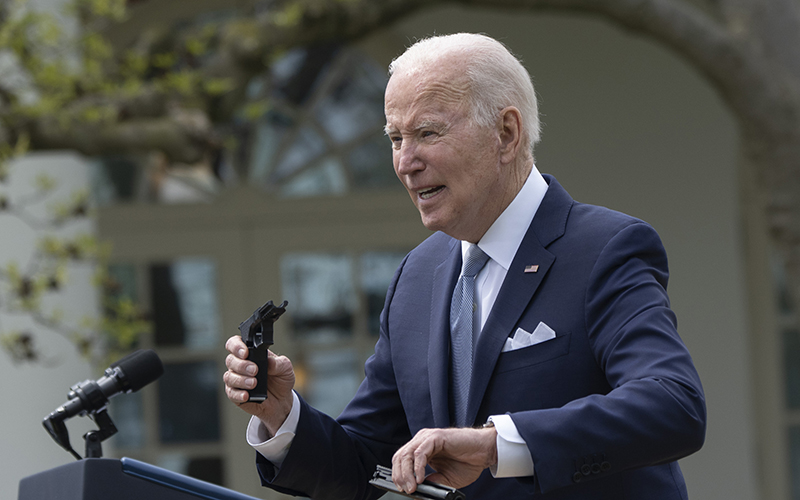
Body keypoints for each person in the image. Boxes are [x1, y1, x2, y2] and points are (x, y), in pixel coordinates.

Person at [224, 33, 706, 499]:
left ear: (507, 133)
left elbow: (672, 404)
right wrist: (283, 416)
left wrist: (497, 445)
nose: (405, 162)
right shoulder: (416, 276)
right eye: (395, 138)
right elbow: (362, 467)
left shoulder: (604, 248)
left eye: (427, 132)